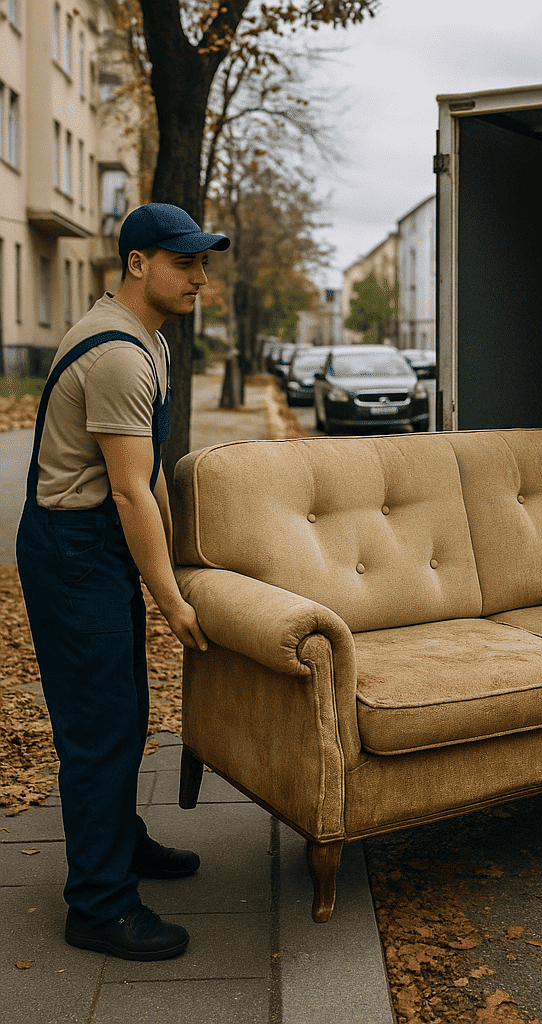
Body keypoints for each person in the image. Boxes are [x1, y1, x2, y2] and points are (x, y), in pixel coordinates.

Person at [16, 203, 229, 960]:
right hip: (73, 546)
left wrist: (180, 559)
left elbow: (151, 473)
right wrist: (171, 599)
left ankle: (118, 840)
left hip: (99, 539)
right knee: (100, 729)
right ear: (137, 263)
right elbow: (130, 490)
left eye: (203, 263)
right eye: (184, 262)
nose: (199, 278)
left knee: (125, 711)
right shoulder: (117, 355)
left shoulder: (149, 340)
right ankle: (99, 905)